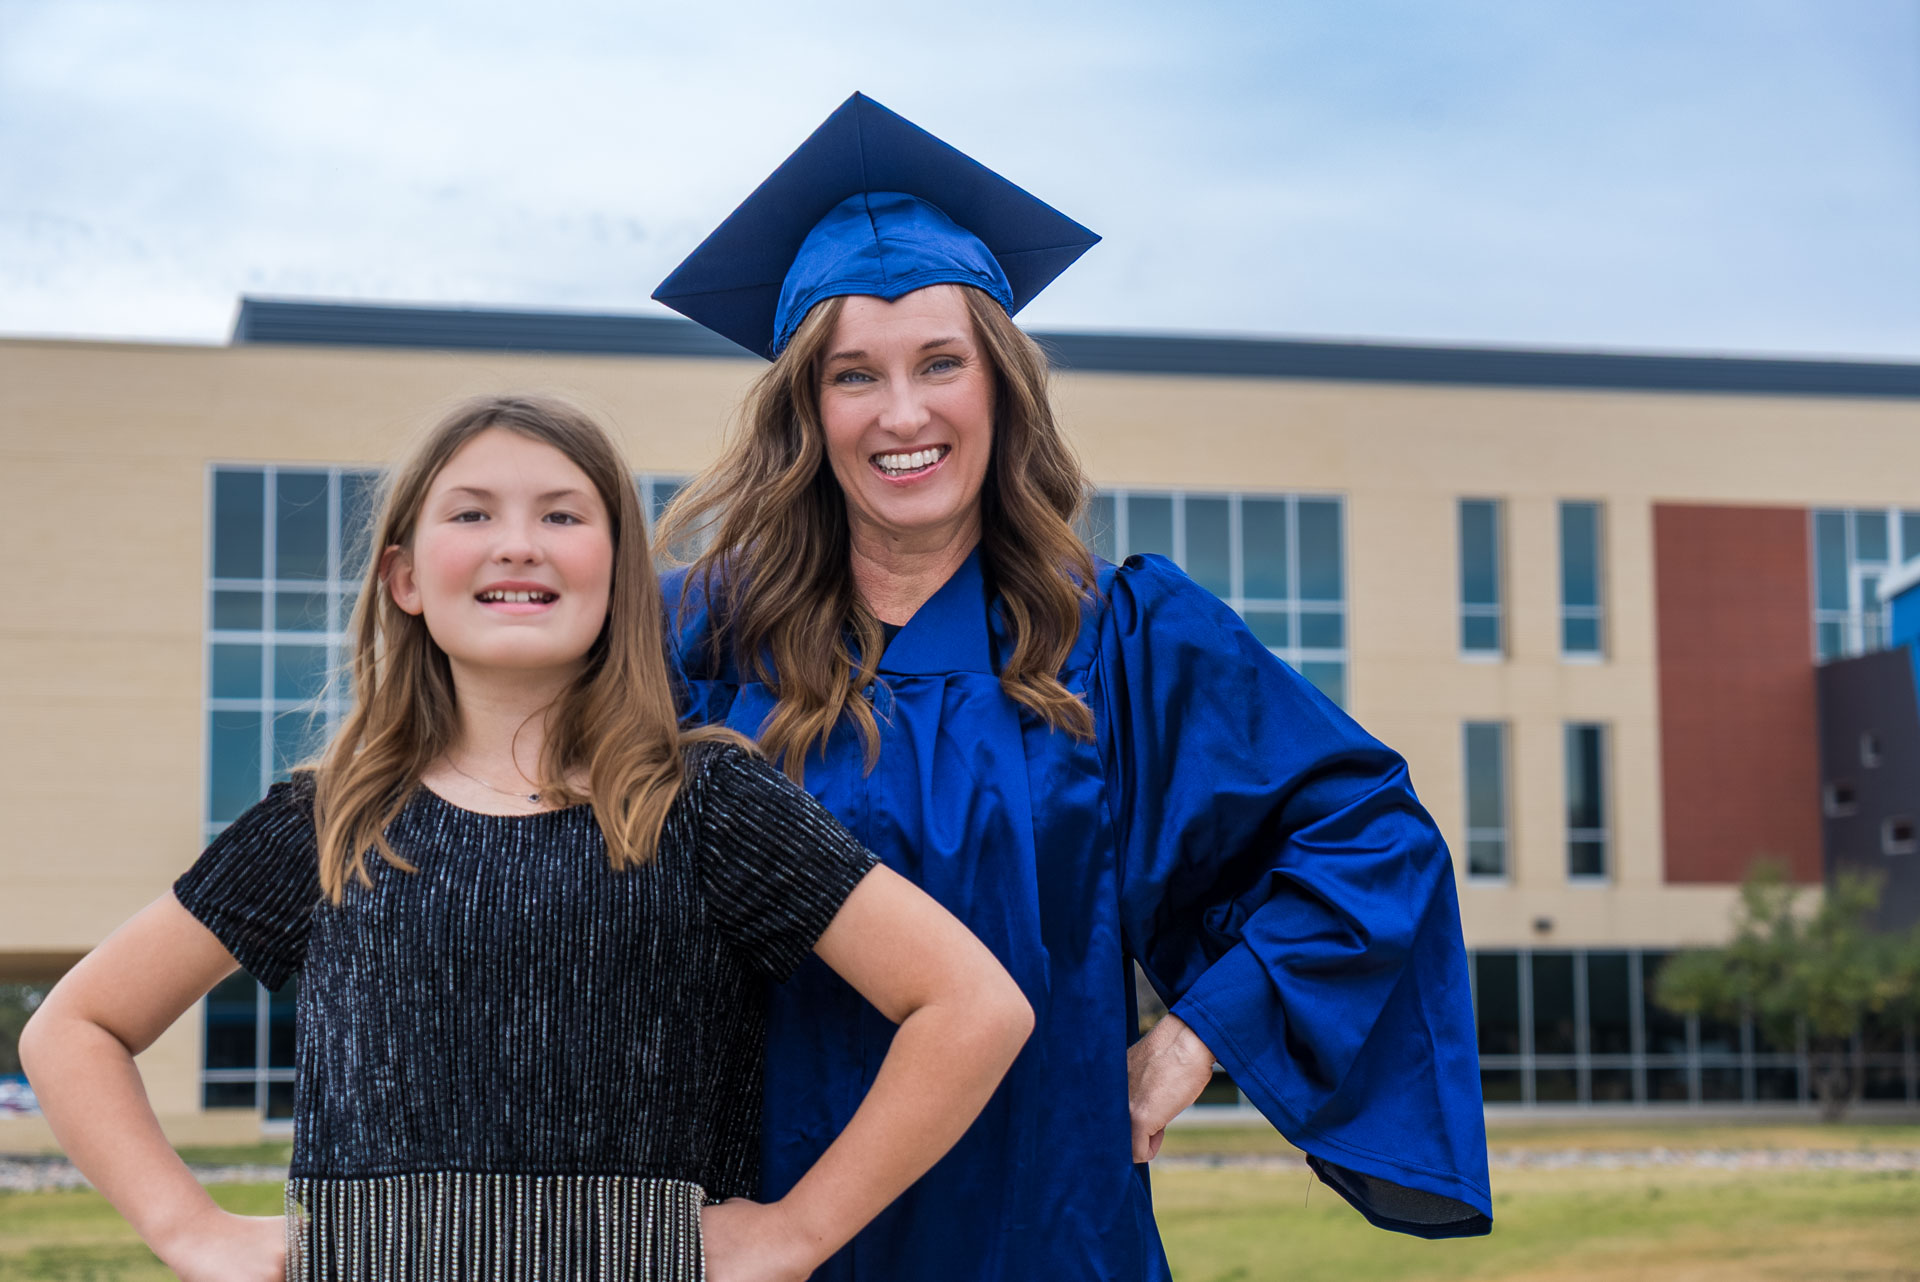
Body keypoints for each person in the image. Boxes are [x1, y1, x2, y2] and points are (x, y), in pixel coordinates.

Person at [651, 93, 1493, 1279]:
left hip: (1048, 1225)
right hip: (761, 1235)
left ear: (1000, 385)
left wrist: (1196, 1036)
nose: (903, 412)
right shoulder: (694, 640)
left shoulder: (1121, 640)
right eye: (854, 374)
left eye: (941, 362)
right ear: (807, 408)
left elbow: (1369, 836)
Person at [19, 394, 1034, 1281]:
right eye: (472, 513)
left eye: (562, 514)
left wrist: (798, 1232)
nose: (517, 543)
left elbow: (972, 1006)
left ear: (619, 573)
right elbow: (74, 1029)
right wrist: (188, 1228)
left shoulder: (706, 804)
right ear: (404, 576)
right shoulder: (329, 822)